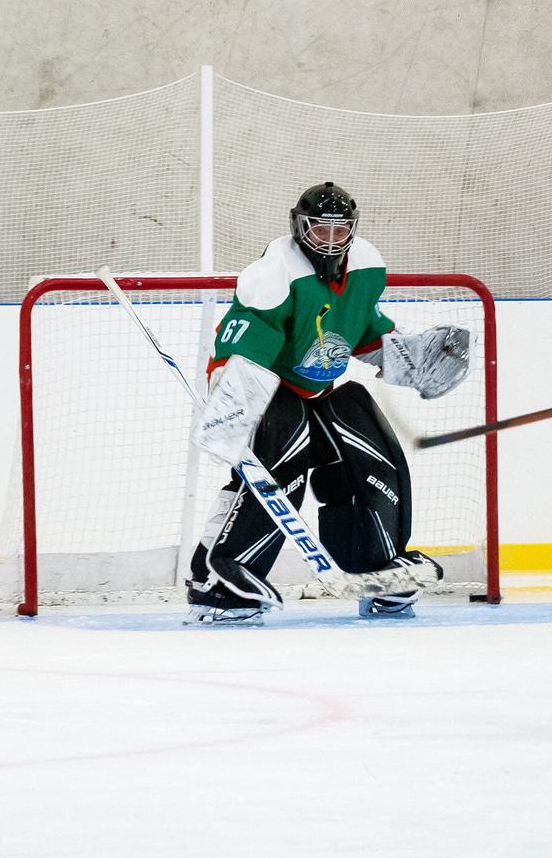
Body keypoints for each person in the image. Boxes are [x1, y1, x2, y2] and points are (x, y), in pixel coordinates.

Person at [187, 181, 470, 623]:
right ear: (300, 228)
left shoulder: (366, 267)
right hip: (269, 389)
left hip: (322, 392)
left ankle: (377, 569)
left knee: (376, 455)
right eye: (321, 230)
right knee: (283, 463)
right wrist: (231, 408)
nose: (332, 241)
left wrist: (410, 359)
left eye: (341, 231)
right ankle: (218, 581)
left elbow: (362, 330)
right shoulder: (274, 273)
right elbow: (241, 352)